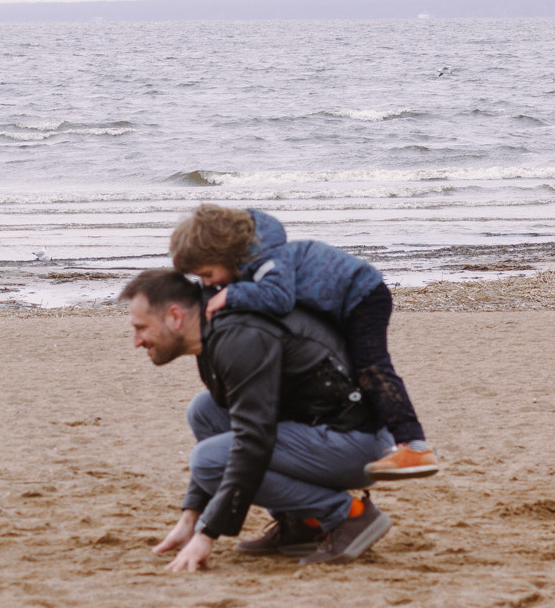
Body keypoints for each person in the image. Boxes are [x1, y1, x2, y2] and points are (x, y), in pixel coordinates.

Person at [119, 268, 396, 572]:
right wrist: (191, 516)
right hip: (328, 429)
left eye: (141, 328)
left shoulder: (238, 338)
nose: (136, 341)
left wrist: (207, 533)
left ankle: (348, 515)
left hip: (359, 442)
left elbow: (254, 439)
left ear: (175, 316)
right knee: (205, 411)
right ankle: (304, 523)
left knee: (209, 461)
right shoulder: (215, 331)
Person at [169, 204, 438, 480]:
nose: (208, 285)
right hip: (341, 301)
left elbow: (279, 297)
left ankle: (415, 446)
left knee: (371, 367)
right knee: (350, 369)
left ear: (225, 254)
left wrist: (234, 294)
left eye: (208, 275)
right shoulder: (253, 261)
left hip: (362, 295)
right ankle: (379, 433)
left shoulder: (267, 260)